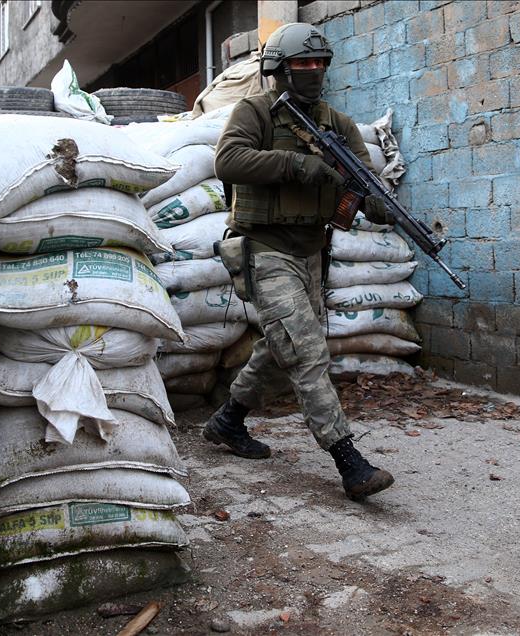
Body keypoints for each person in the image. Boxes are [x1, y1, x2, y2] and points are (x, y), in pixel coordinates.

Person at [208, 22, 395, 501]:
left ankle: (227, 423)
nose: (313, 72)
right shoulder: (255, 113)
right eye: (302, 64)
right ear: (279, 69)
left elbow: (365, 181)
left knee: (281, 345)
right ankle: (348, 460)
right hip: (264, 248)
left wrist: (375, 202)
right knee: (307, 350)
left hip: (311, 252)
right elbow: (228, 161)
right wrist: (297, 165)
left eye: (319, 64)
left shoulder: (339, 124)